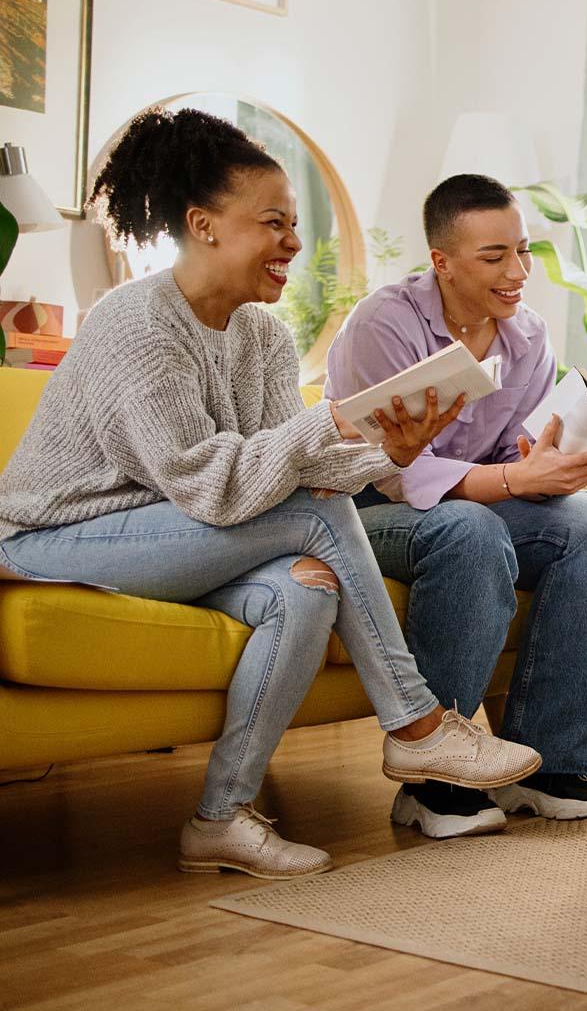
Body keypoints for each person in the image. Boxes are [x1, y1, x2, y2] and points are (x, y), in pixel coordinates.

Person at [0, 110, 540, 879]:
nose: (293, 241)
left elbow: (298, 473)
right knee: (315, 523)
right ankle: (418, 727)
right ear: (205, 225)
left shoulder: (260, 334)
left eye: (295, 223)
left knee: (305, 594)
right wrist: (329, 427)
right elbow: (211, 486)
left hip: (176, 530)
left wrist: (385, 447)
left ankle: (220, 818)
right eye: (274, 222)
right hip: (57, 538)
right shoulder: (135, 325)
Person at [325, 174, 587, 839]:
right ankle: (433, 780)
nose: (518, 271)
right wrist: (513, 484)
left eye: (522, 252)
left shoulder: (525, 338)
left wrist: (559, 465)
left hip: (465, 503)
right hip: (358, 512)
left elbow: (508, 457)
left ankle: (544, 765)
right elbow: (388, 473)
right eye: (495, 257)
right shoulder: (384, 325)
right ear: (441, 261)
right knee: (468, 531)